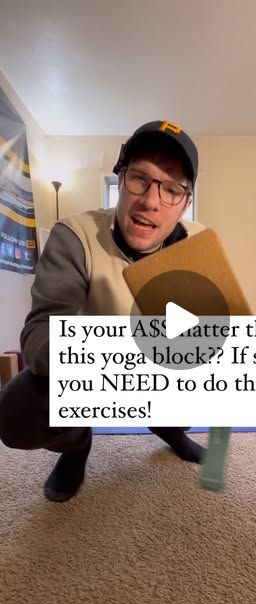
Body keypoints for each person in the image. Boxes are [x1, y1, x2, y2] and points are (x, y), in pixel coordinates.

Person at [0, 120, 206, 502]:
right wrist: (115, 357)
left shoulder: (199, 244)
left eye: (172, 189)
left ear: (185, 204)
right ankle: (77, 446)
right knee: (17, 413)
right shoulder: (75, 236)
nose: (151, 200)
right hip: (86, 374)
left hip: (161, 369)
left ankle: (168, 427)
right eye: (140, 179)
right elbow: (37, 337)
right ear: (120, 179)